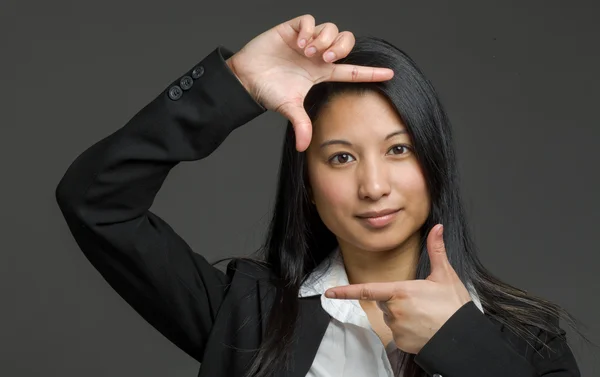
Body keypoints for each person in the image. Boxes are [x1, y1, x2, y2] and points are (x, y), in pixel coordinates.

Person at [55, 14, 581, 377]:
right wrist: (235, 82)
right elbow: (97, 202)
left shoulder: (524, 338)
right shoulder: (249, 318)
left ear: (434, 163)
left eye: (398, 150)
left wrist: (463, 342)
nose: (374, 186)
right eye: (342, 157)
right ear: (307, 185)